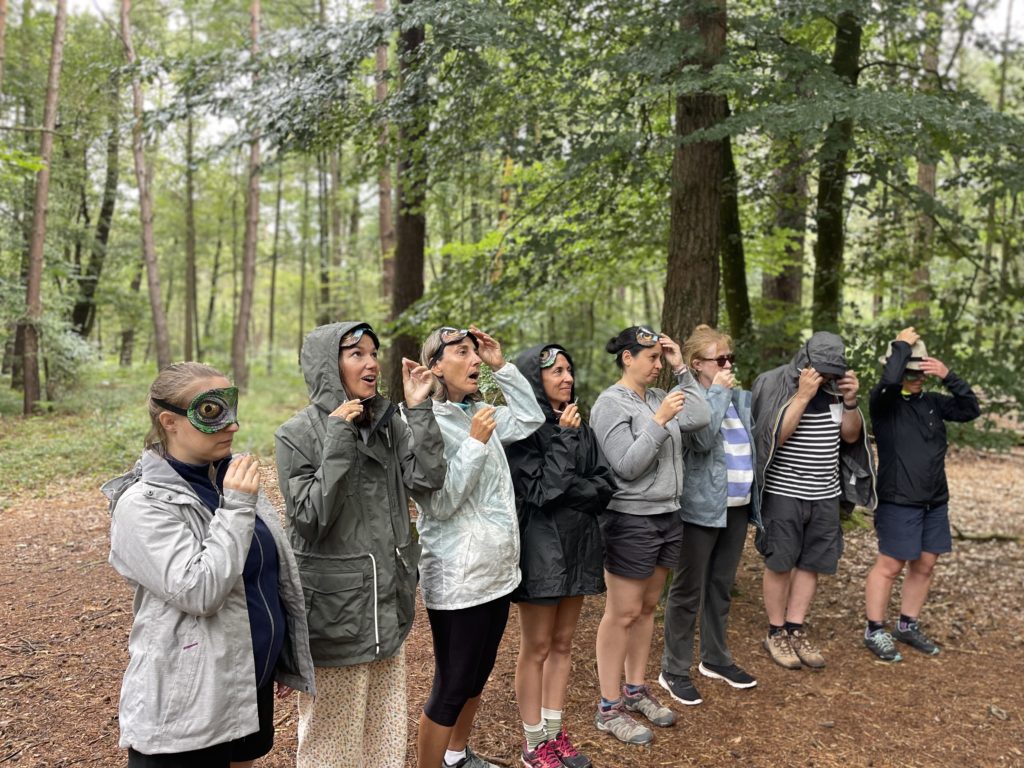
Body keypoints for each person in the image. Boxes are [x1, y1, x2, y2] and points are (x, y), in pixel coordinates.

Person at [104, 362, 315, 768]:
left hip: (243, 682)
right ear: (169, 421)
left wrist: (279, 654)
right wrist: (237, 507)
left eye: (231, 409)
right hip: (187, 705)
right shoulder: (142, 505)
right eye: (212, 413)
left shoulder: (229, 478)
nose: (232, 426)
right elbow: (199, 591)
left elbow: (266, 574)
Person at [274, 322, 446, 767]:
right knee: (332, 743)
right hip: (337, 614)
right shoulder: (297, 434)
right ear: (329, 367)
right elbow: (309, 520)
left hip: (388, 604)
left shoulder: (387, 425)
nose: (371, 363)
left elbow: (427, 481)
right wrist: (337, 437)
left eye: (374, 352)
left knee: (385, 734)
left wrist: (418, 410)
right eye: (356, 354)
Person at [414, 326, 545, 768]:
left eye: (475, 352)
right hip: (457, 579)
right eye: (462, 352)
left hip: (497, 572)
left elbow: (530, 417)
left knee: (476, 678)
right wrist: (474, 442)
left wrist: (501, 366)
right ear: (435, 366)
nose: (473, 359)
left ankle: (457, 756)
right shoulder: (423, 422)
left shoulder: (482, 410)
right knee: (451, 686)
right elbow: (441, 502)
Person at [589, 325, 711, 746]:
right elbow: (625, 464)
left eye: (662, 358)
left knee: (645, 610)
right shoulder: (609, 404)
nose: (657, 365)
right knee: (621, 613)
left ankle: (635, 690)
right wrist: (658, 423)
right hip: (630, 519)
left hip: (667, 516)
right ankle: (608, 708)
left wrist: (682, 368)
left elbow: (701, 416)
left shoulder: (660, 396)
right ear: (628, 357)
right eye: (653, 358)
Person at [504, 343, 616, 768]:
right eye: (557, 372)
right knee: (536, 647)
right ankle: (533, 743)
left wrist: (574, 487)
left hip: (579, 545)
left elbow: (604, 485)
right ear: (537, 378)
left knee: (565, 643)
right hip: (541, 550)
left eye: (569, 370)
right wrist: (567, 444)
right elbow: (541, 492)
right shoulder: (523, 430)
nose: (567, 378)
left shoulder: (578, 422)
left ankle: (554, 732)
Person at [751, 331, 876, 670]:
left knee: (812, 563)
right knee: (780, 562)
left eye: (833, 372)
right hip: (784, 492)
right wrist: (803, 396)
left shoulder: (837, 391)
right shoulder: (778, 382)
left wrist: (850, 402)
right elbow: (774, 436)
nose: (828, 377)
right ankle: (775, 632)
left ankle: (795, 627)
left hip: (825, 494)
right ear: (805, 362)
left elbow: (850, 436)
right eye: (822, 371)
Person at [862, 327, 980, 661]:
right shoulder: (884, 403)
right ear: (898, 370)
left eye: (921, 372)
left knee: (926, 564)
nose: (917, 378)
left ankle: (907, 625)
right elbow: (888, 382)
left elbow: (970, 409)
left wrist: (947, 375)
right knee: (891, 564)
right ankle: (875, 629)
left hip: (934, 500)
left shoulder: (932, 403)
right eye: (910, 372)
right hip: (899, 499)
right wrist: (902, 345)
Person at [659, 324, 762, 706]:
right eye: (720, 359)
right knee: (687, 590)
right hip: (701, 507)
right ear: (697, 363)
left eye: (730, 358)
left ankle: (715, 659)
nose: (727, 365)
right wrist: (718, 391)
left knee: (720, 587)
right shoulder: (686, 395)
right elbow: (702, 439)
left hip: (736, 507)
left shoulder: (736, 397)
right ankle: (673, 667)